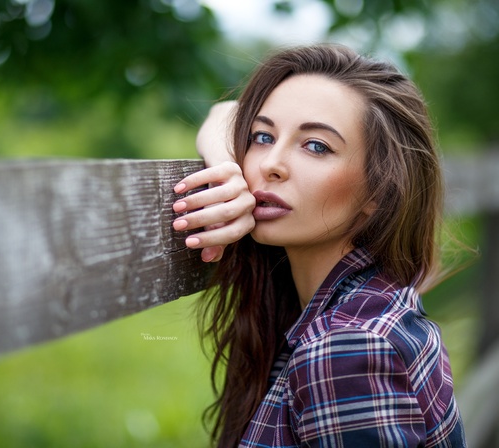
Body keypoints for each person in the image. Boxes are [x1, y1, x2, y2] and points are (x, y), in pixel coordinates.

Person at [171, 44, 467, 447]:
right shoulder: (376, 303)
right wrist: (228, 170)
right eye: (262, 136)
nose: (270, 164)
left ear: (378, 192)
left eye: (316, 146)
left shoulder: (346, 348)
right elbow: (223, 114)